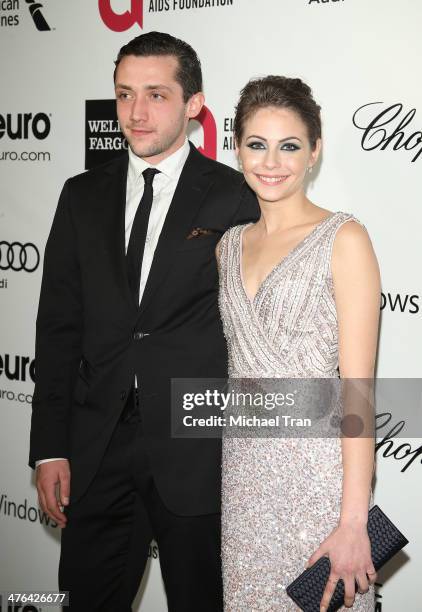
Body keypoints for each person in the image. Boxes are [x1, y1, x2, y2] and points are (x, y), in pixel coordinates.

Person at [29, 31, 258, 612]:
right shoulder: (80, 195)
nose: (136, 112)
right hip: (95, 445)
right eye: (125, 94)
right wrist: (50, 447)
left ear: (194, 104)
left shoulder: (236, 197)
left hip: (196, 447)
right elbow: (58, 326)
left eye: (156, 94)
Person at [216, 76, 380, 611]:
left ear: (315, 151)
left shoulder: (344, 239)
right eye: (256, 144)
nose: (271, 161)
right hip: (243, 477)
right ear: (237, 147)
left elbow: (358, 392)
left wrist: (353, 520)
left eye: (289, 145)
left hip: (317, 479)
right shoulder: (228, 246)